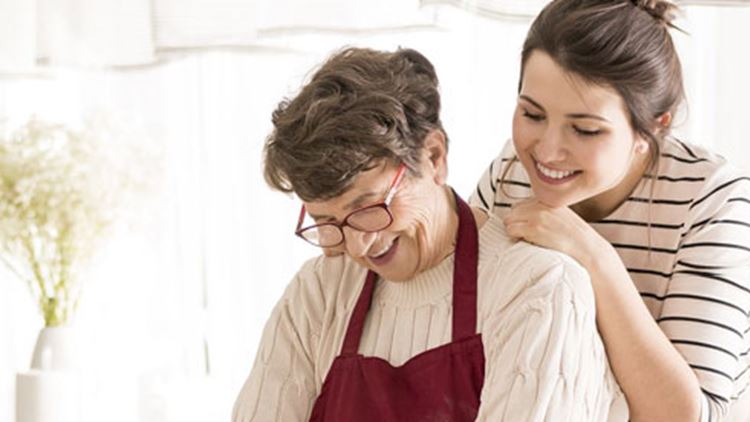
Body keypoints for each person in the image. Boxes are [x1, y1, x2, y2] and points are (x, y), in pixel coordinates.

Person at [232, 47, 623, 421]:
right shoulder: (318, 293)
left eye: (368, 209)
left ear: (434, 156)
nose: (357, 245)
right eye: (328, 222)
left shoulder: (537, 288)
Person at [472, 0, 750, 421]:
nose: (546, 150)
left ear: (653, 127)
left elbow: (692, 416)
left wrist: (592, 255)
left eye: (585, 129)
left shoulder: (713, 200)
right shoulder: (509, 172)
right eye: (532, 113)